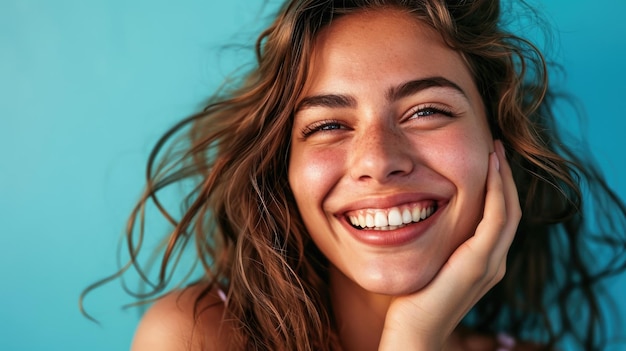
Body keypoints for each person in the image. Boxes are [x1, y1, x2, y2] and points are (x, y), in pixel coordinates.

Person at [82, 0, 626, 350]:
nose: (376, 160)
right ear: (283, 170)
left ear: (497, 142)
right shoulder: (198, 335)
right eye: (328, 124)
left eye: (426, 111)